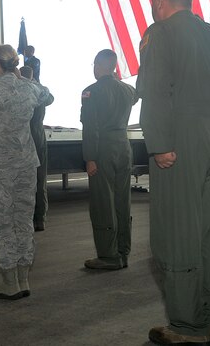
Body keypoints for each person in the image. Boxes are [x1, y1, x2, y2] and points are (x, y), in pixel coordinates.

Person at [136, 0, 210, 345]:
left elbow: (155, 91)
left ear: (160, 2)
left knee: (178, 231)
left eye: (152, 4)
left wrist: (159, 143)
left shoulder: (160, 33)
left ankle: (187, 325)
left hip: (182, 139)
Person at [0, 44, 52, 300]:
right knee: (23, 222)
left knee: (2, 224)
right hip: (27, 166)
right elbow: (48, 96)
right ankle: (24, 279)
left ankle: (9, 282)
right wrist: (26, 79)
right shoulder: (28, 89)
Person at [80, 49, 138, 271]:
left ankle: (108, 255)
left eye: (94, 65)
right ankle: (123, 250)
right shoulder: (126, 90)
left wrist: (90, 157)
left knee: (103, 203)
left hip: (102, 148)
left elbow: (91, 127)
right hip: (123, 147)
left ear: (98, 65)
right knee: (122, 200)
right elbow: (136, 93)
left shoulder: (90, 92)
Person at [19, 65, 55, 232]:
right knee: (40, 179)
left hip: (20, 136)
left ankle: (22, 219)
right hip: (37, 135)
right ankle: (39, 219)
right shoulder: (40, 90)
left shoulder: (17, 89)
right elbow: (51, 98)